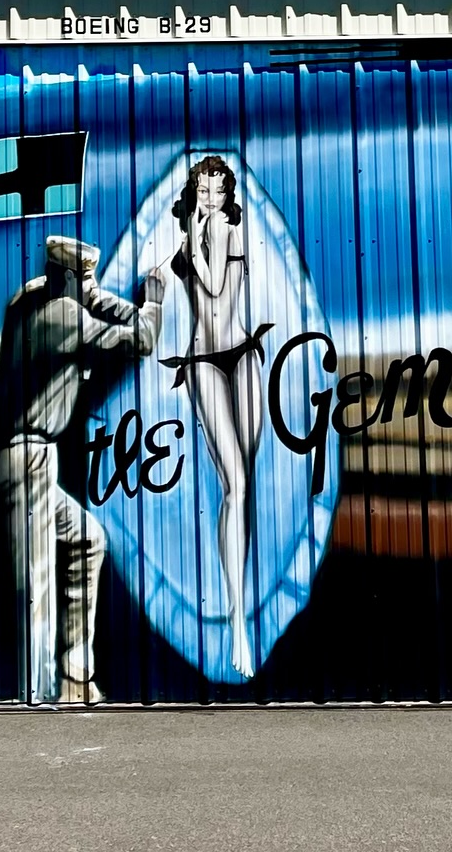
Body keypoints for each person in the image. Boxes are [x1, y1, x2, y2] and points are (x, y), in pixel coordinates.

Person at [0, 236, 166, 703]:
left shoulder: (28, 298)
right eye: (86, 278)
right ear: (69, 278)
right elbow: (142, 339)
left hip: (22, 457)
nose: (94, 286)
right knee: (36, 583)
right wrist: (154, 300)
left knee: (88, 541)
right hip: (27, 457)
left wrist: (91, 291)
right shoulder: (63, 317)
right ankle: (37, 697)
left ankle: (75, 674)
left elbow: (83, 305)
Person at [159, 156, 271, 678]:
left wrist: (192, 237)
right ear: (194, 190)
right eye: (202, 190)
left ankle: (238, 610)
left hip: (242, 355)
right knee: (236, 485)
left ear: (228, 195)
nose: (211, 198)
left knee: (240, 489)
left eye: (218, 190)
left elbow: (215, 287)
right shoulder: (196, 230)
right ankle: (239, 624)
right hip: (204, 360)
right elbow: (167, 280)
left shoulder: (222, 228)